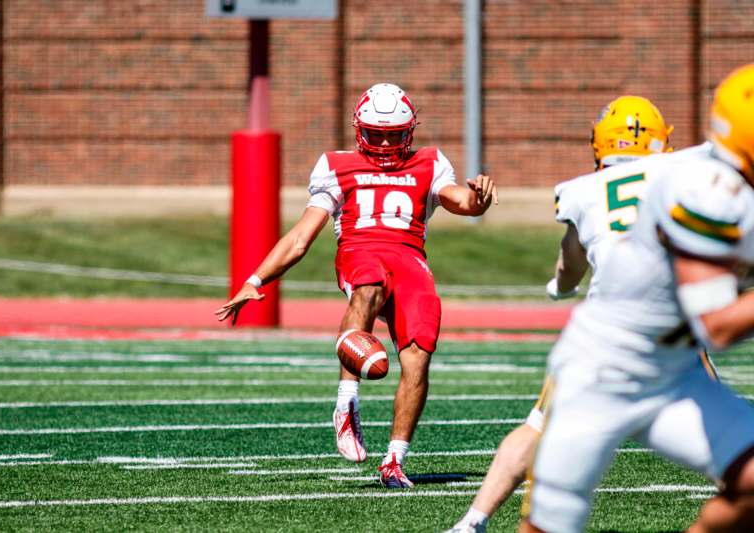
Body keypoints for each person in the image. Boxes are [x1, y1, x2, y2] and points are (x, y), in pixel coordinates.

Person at [448, 96, 718, 533]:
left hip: (605, 329)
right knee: (723, 429)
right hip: (672, 321)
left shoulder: (583, 192)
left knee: (538, 426)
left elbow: (570, 265)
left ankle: (471, 522)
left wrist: (560, 288)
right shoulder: (687, 168)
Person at [215, 82, 497, 488]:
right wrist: (256, 279)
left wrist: (479, 199)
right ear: (358, 129)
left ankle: (394, 460)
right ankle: (347, 403)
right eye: (376, 133)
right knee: (369, 285)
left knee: (418, 351)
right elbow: (300, 237)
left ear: (410, 131)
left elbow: (460, 201)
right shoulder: (336, 165)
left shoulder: (429, 162)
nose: (384, 142)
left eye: (394, 134)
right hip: (361, 251)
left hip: (410, 258)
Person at [519, 63, 754, 533]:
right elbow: (716, 323)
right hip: (604, 370)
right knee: (549, 526)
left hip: (675, 376)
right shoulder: (706, 191)